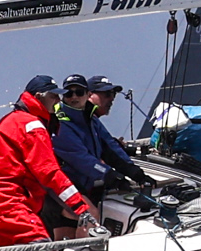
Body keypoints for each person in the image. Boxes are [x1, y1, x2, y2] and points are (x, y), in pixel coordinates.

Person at [0, 75, 96, 245]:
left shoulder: (12, 119)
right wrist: (81, 208)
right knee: (39, 250)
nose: (58, 100)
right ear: (40, 96)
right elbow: (49, 173)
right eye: (54, 96)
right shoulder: (32, 126)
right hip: (10, 202)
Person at [53, 77, 152, 206]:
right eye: (68, 93)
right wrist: (108, 174)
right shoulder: (59, 123)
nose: (74, 97)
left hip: (85, 182)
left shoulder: (91, 119)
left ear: (87, 94)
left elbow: (110, 148)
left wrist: (135, 172)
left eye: (79, 92)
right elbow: (80, 158)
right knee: (90, 218)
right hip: (62, 184)